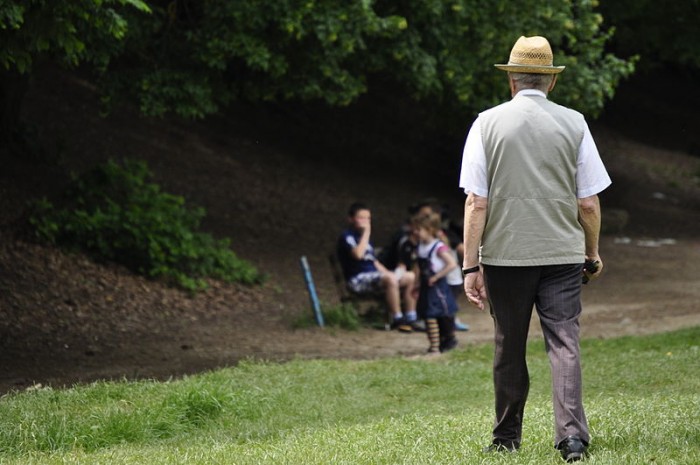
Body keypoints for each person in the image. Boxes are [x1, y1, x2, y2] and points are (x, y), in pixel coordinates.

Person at [459, 36, 610, 462]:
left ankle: (507, 437)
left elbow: (477, 202)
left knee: (509, 343)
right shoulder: (575, 123)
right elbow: (588, 201)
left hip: (506, 256)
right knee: (564, 341)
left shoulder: (485, 124)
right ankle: (572, 439)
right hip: (562, 254)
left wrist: (471, 267)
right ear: (551, 82)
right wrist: (591, 252)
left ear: (511, 79)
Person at [336, 202, 418, 331]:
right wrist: (366, 233)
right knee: (390, 279)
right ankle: (397, 318)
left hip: (374, 277)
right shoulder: (347, 236)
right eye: (361, 218)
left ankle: (411, 317)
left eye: (368, 218)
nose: (365, 221)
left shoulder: (366, 239)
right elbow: (358, 254)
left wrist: (390, 273)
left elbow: (374, 262)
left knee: (410, 276)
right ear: (350, 219)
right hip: (357, 280)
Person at [413, 212, 459, 354]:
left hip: (437, 286)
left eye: (419, 229)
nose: (416, 233)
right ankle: (435, 345)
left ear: (430, 230)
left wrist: (437, 276)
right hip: (426, 285)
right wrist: (416, 283)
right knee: (428, 315)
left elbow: (452, 264)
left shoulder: (438, 246)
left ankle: (441, 343)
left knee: (438, 314)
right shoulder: (420, 246)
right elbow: (417, 267)